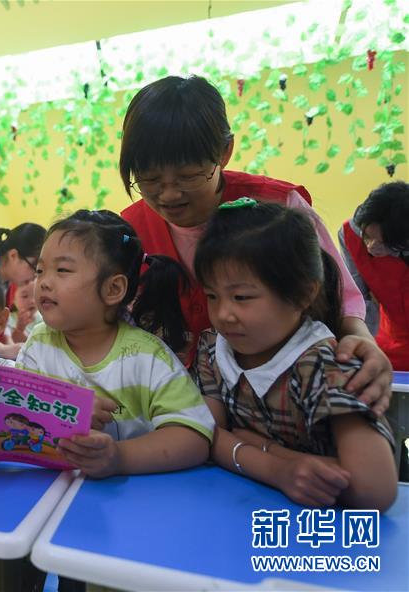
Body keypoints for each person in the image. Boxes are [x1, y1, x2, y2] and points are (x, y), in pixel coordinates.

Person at [118, 75, 392, 415]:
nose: (169, 194)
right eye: (150, 180)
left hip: (285, 397)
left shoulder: (277, 206)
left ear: (225, 151)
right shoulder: (130, 229)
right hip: (180, 402)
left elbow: (339, 298)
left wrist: (362, 342)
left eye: (188, 176)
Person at [192, 199, 396, 510]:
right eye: (211, 295)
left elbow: (374, 490)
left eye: (241, 297)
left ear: (302, 293)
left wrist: (249, 444)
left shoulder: (325, 364)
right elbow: (204, 437)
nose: (223, 314)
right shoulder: (213, 348)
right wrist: (279, 468)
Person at [15, 210, 215, 479]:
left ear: (112, 289)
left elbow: (194, 436)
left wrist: (119, 457)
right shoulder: (38, 346)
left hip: (133, 502)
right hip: (51, 493)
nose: (44, 282)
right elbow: (14, 413)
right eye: (40, 270)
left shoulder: (147, 356)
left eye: (62, 270)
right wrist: (65, 411)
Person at [338, 181, 409, 371]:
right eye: (368, 236)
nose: (371, 247)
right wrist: (366, 348)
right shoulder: (350, 235)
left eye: (384, 243)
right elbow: (357, 301)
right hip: (384, 339)